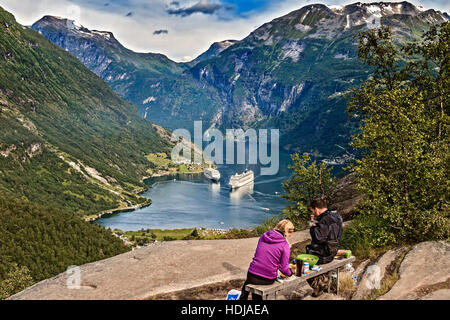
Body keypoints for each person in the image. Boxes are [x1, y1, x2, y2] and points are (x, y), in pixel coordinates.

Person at [239, 219, 295, 300]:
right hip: (267, 278)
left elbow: (263, 256)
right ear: (288, 232)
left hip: (251, 274)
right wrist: (290, 274)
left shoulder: (264, 236)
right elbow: (284, 269)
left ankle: (242, 298)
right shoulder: (284, 245)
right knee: (258, 292)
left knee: (251, 284)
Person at [306, 198, 343, 296]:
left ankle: (321, 285)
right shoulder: (336, 215)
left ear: (316, 209)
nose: (313, 213)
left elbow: (318, 238)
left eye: (313, 211)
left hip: (324, 255)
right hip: (333, 251)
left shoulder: (324, 220)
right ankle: (324, 281)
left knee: (303, 265)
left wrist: (312, 222)